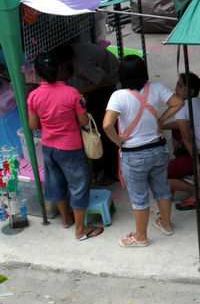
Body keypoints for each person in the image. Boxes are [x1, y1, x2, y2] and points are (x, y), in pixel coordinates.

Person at [103, 56, 184, 247]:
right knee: (162, 189)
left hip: (134, 155)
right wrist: (161, 120)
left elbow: (107, 125)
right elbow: (178, 102)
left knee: (139, 198)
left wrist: (118, 142)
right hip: (158, 150)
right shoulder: (156, 88)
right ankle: (166, 223)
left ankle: (140, 236)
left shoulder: (118, 96)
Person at [26, 53, 103, 241]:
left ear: (36, 74)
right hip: (71, 147)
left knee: (55, 183)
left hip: (48, 146)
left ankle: (66, 220)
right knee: (78, 186)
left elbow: (33, 126)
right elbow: (84, 121)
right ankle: (80, 229)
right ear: (60, 69)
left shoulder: (33, 97)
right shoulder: (71, 93)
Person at [55, 42, 120, 186]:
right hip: (99, 82)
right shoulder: (73, 55)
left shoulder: (82, 64)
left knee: (102, 130)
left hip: (109, 84)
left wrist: (78, 92)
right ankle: (99, 166)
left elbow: (105, 80)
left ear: (64, 63)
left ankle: (111, 171)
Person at [163, 72, 200, 210]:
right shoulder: (199, 101)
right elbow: (181, 125)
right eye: (177, 85)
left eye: (181, 86)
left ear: (191, 91)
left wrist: (198, 166)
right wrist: (161, 125)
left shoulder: (182, 107)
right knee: (176, 132)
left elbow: (187, 139)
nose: (176, 89)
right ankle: (182, 165)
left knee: (158, 174)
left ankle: (196, 192)